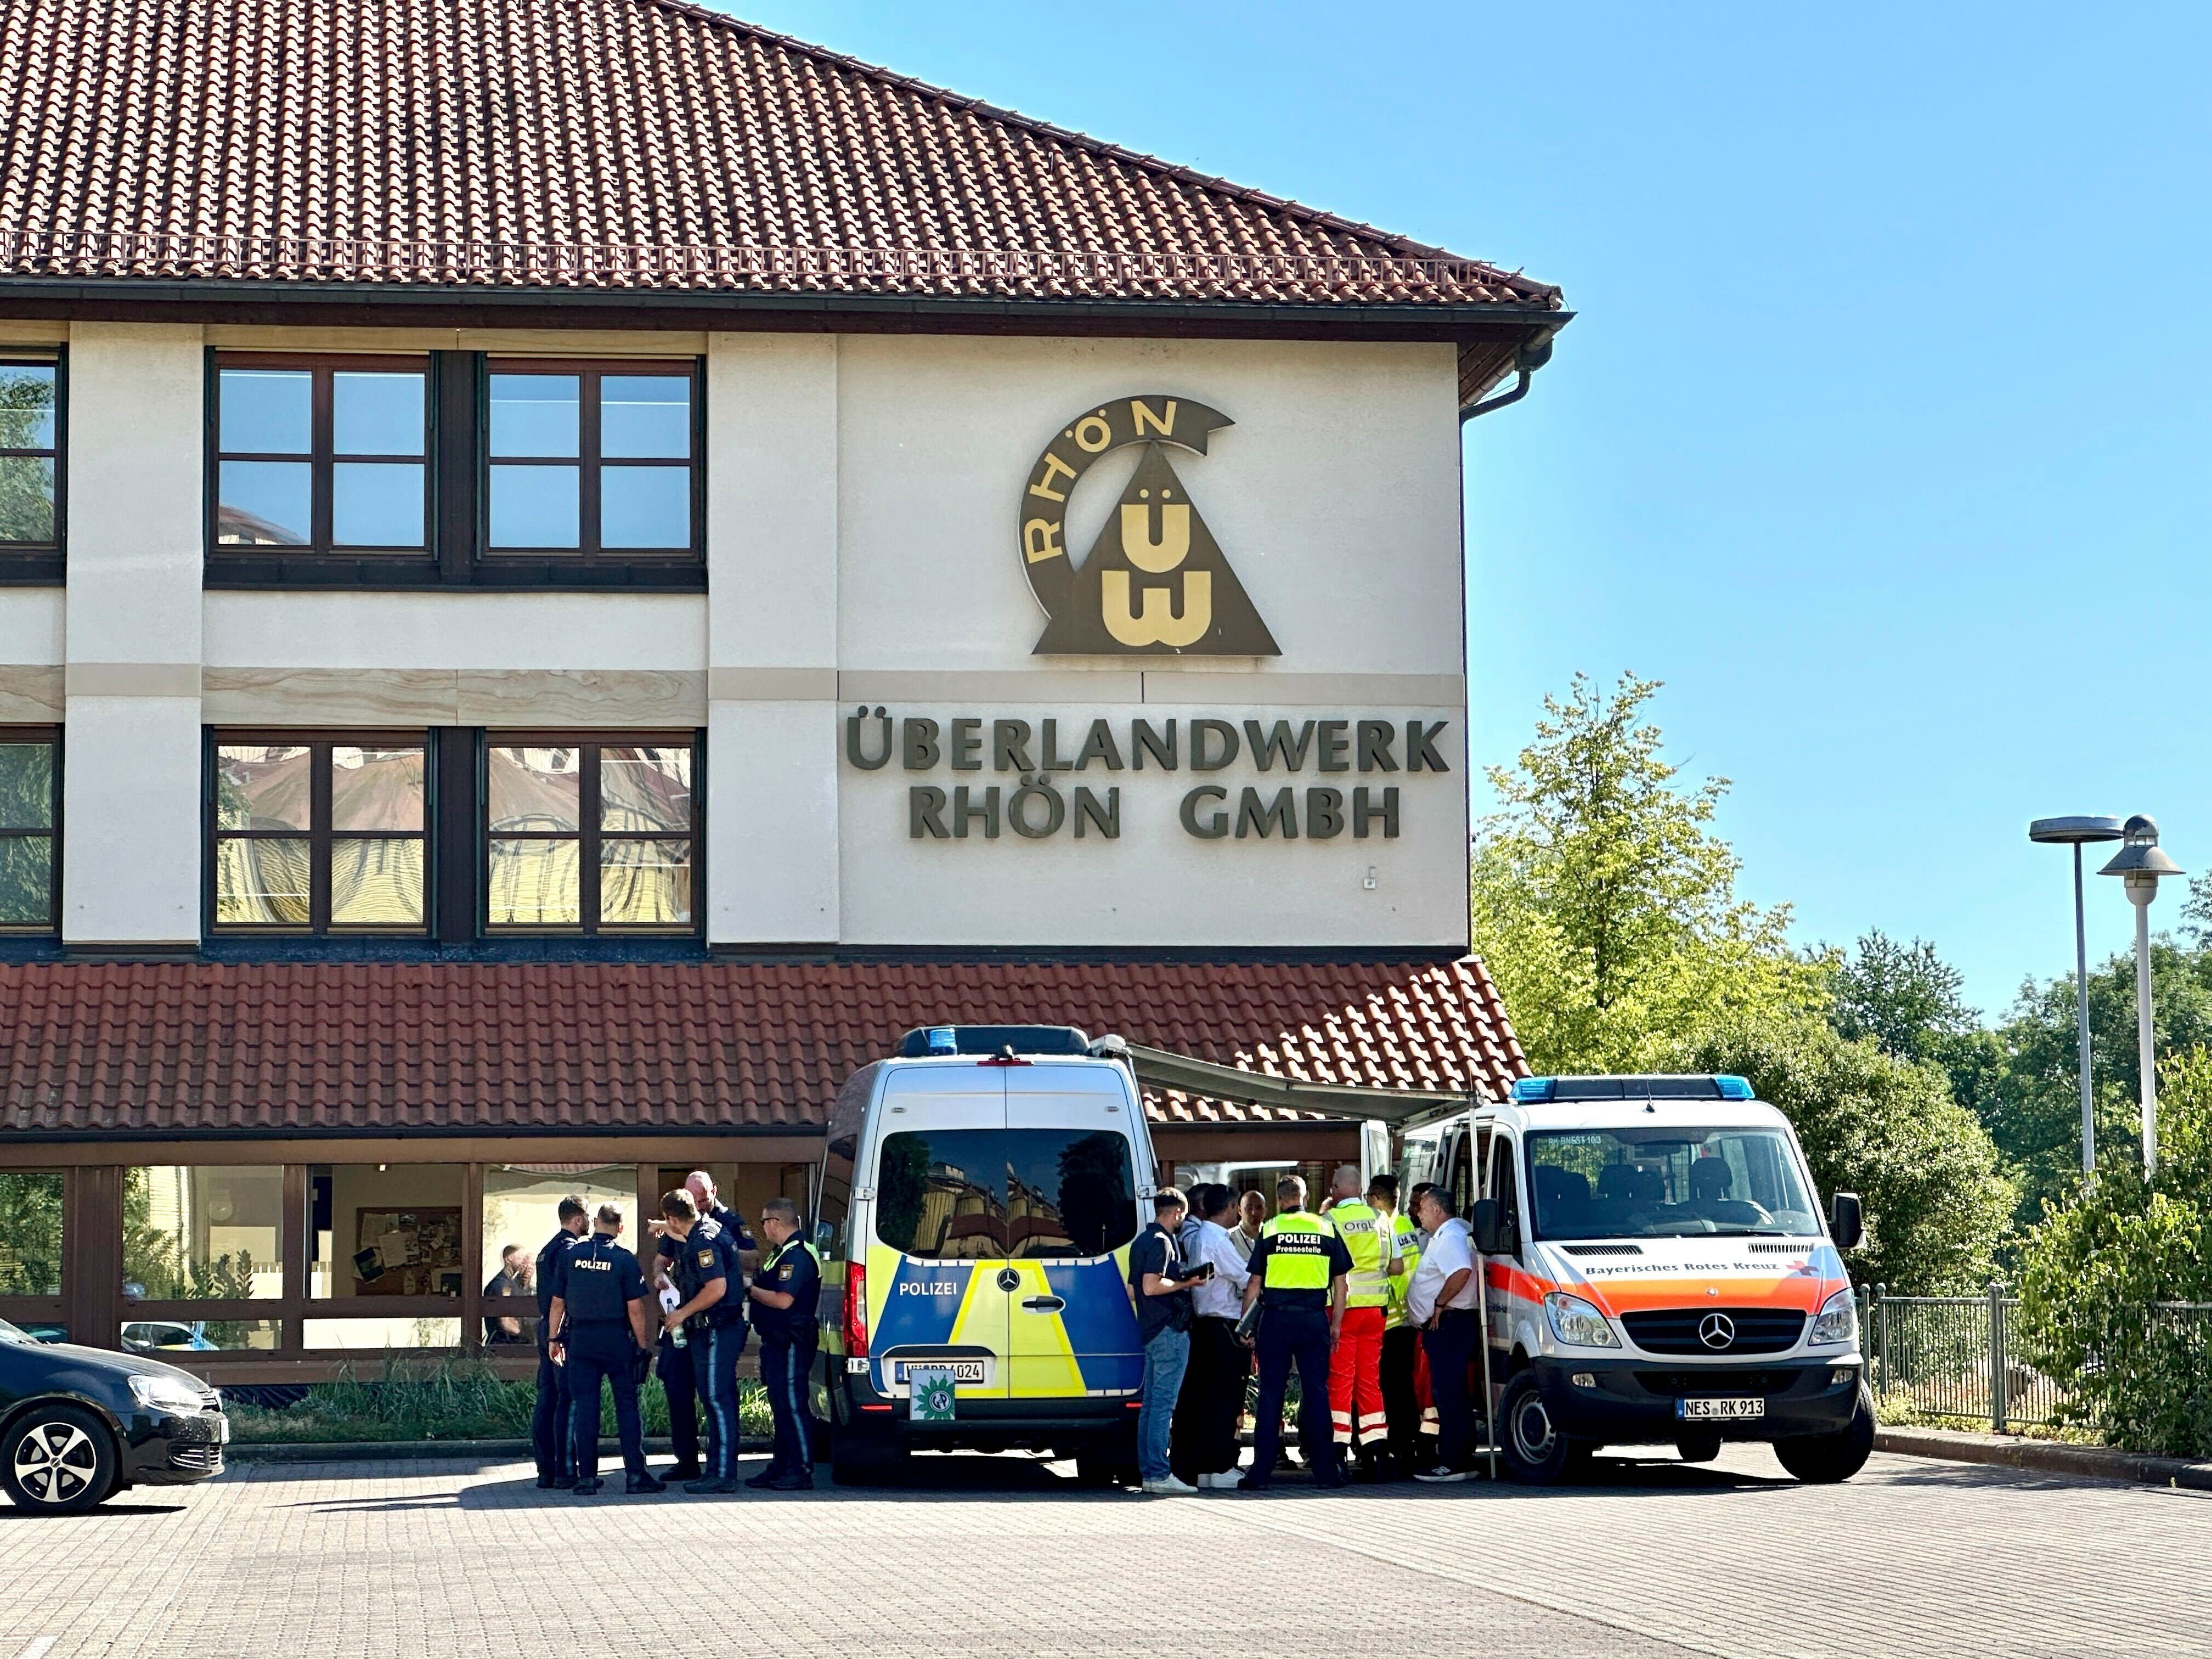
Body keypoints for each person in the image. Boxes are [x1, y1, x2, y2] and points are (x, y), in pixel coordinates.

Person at [1237, 1175, 1351, 1493]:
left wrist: (1247, 1325)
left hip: (1275, 1320)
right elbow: (1342, 1285)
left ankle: (1260, 1474)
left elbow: (1254, 1284)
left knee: (1271, 1392)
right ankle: (1326, 1473)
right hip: (1314, 1319)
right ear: (1304, 1197)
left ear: (1279, 1199)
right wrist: (1336, 1324)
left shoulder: (1270, 1229)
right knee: (1316, 1392)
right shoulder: (1325, 1227)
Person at [546, 1203, 664, 1496]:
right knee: (627, 1406)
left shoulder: (572, 1255)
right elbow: (635, 1309)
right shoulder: (624, 1260)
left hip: (581, 1340)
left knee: (586, 1408)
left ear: (596, 1222)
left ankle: (586, 1478)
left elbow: (557, 1302)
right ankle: (636, 1476)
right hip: (615, 1340)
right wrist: (641, 1346)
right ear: (620, 1228)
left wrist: (553, 1339)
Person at [652, 1170, 757, 1482]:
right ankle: (705, 1468)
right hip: (702, 1328)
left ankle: (722, 1475)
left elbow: (717, 1289)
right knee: (696, 1390)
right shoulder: (700, 1232)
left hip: (716, 1326)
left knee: (716, 1399)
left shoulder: (706, 1238)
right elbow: (664, 1260)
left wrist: (681, 1313)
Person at [1318, 1164, 1400, 1479]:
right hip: (1375, 1312)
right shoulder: (1382, 1219)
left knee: (1340, 1380)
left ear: (1338, 1190)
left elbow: (1325, 1268)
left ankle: (1337, 1452)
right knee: (1369, 1380)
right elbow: (1395, 1266)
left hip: (1342, 1310)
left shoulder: (1329, 1221)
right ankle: (1378, 1452)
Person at [1169, 1183, 1251, 1490]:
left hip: (1204, 1325)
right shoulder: (1217, 1239)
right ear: (1231, 1208)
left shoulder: (1200, 1235)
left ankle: (1202, 1466)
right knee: (1225, 1399)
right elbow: (1245, 1276)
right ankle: (1218, 1466)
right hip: (1222, 1325)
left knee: (1203, 1399)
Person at [1128, 1187, 1205, 1494]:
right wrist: (1188, 1281)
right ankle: (1159, 1474)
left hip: (1149, 1330)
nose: (1183, 1220)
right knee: (1162, 1406)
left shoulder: (1140, 1242)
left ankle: (1149, 1473)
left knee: (1150, 1406)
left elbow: (1133, 1290)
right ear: (1176, 1212)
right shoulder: (1162, 1242)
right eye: (1183, 1215)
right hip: (1169, 1330)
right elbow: (1149, 1286)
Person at [1404, 1184, 1482, 1483]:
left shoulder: (1450, 1237)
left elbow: (1460, 1271)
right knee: (1454, 1393)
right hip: (1450, 1324)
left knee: (1449, 1394)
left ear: (1437, 1210)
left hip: (1449, 1324)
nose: (1418, 1214)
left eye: (1422, 1208)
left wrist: (1439, 1303)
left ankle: (1453, 1461)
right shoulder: (1453, 1232)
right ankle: (1459, 1455)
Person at [747, 1195, 823, 1491]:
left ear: (775, 1222)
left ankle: (801, 1469)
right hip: (777, 1340)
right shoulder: (781, 1253)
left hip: (792, 1339)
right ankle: (781, 1466)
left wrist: (750, 1290)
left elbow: (783, 1300)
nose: (763, 1227)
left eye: (764, 1221)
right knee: (780, 1404)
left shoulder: (798, 1255)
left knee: (792, 1404)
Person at [1370, 1172, 1428, 1473]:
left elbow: (1397, 1274)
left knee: (1392, 1387)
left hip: (1391, 1321)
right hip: (1406, 1319)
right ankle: (1405, 1444)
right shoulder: (1406, 1225)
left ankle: (1399, 1444)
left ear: (1377, 1199)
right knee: (1402, 1385)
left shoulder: (1386, 1227)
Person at [529, 1197, 589, 1489]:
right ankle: (565, 1469)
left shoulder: (546, 1249)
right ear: (578, 1220)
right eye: (587, 1216)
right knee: (566, 1399)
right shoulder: (569, 1250)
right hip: (560, 1332)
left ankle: (546, 1470)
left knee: (547, 1399)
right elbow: (564, 1298)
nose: (590, 1221)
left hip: (546, 1329)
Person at [483, 1245, 531, 1346]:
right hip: (502, 1346)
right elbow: (505, 1321)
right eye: (521, 1258)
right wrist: (525, 1336)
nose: (524, 1262)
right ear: (509, 1259)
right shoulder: (500, 1285)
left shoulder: (511, 1284)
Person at [1229, 1189, 1268, 1263]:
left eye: (1259, 1208)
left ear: (1265, 1212)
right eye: (1249, 1208)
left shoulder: (1273, 1236)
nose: (1254, 1213)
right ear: (1240, 1210)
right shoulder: (1229, 1238)